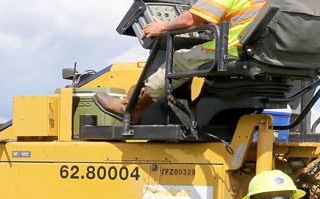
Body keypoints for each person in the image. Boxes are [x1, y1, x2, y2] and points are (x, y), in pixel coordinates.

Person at [95, 0, 267, 121]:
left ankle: (131, 107)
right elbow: (204, 21)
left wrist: (163, 26)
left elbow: (191, 18)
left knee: (178, 60)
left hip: (233, 49)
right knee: (211, 71)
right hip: (266, 56)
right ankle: (197, 110)